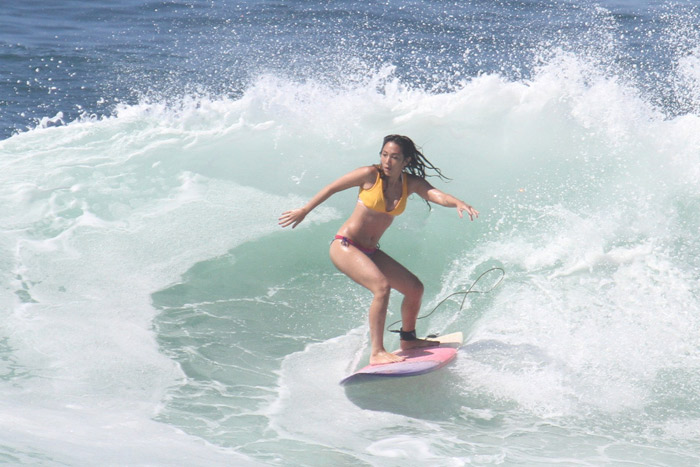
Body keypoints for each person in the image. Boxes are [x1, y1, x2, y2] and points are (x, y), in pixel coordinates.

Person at [278, 135, 479, 365]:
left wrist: (458, 203)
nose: (387, 161)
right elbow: (332, 187)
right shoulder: (369, 175)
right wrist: (304, 210)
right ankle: (377, 352)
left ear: (406, 160)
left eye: (394, 157)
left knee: (414, 288)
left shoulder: (409, 183)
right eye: (384, 155)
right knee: (381, 287)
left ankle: (409, 339)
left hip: (370, 250)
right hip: (346, 245)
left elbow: (435, 194)